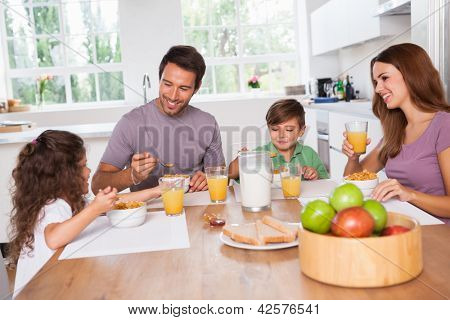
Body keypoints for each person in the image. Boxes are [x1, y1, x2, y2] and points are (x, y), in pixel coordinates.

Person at [8, 130, 161, 297]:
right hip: (39, 295)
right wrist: (94, 209)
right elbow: (53, 238)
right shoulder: (52, 205)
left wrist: (157, 191)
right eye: (83, 166)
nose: (89, 171)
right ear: (63, 175)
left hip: (57, 285)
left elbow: (115, 200)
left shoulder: (71, 200)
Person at [92, 45, 225, 194]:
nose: (173, 96)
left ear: (197, 87)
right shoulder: (130, 123)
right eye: (167, 84)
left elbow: (219, 175)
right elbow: (97, 186)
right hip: (149, 213)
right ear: (159, 79)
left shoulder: (208, 123)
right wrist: (132, 175)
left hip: (195, 211)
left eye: (183, 88)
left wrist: (208, 178)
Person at [342, 43, 450, 220]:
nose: (378, 88)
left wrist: (409, 194)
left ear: (411, 74)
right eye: (376, 82)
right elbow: (353, 182)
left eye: (384, 78)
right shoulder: (396, 131)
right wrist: (353, 157)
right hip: (403, 225)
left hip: (438, 234)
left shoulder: (444, 125)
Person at [228, 99, 329, 180]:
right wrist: (240, 161)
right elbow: (231, 174)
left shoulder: (309, 154)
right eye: (275, 129)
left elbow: (325, 181)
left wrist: (315, 175)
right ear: (268, 128)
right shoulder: (260, 154)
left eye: (289, 129)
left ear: (301, 131)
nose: (281, 135)